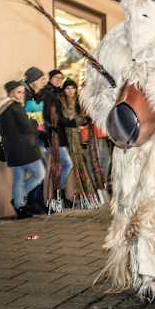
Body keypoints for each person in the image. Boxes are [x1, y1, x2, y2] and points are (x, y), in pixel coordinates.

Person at [0, 81, 46, 218]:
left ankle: (19, 206)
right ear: (11, 93)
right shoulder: (15, 107)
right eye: (18, 92)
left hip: (12, 149)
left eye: (23, 92)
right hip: (25, 148)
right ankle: (18, 200)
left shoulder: (1, 108)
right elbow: (27, 126)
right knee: (39, 174)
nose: (22, 95)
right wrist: (35, 122)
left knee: (18, 179)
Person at [60, 79, 101, 208]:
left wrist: (74, 121)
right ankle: (69, 195)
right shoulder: (60, 103)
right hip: (64, 139)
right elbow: (60, 121)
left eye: (72, 88)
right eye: (67, 88)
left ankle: (84, 195)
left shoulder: (79, 102)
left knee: (80, 164)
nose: (70, 91)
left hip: (77, 139)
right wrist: (70, 121)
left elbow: (86, 119)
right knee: (69, 166)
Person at [40, 69, 74, 208]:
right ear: (50, 78)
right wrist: (70, 122)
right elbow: (51, 117)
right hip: (52, 136)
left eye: (61, 78)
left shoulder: (58, 93)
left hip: (58, 135)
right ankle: (56, 196)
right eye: (56, 77)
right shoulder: (48, 94)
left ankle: (58, 196)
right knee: (65, 164)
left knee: (60, 166)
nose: (59, 80)